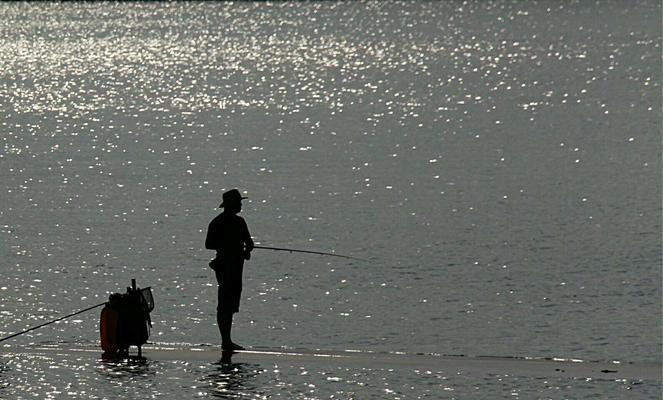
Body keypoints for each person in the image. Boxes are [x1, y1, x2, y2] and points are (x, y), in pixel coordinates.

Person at [205, 189, 254, 351]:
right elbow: (209, 245)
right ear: (231, 204)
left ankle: (227, 340)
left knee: (230, 304)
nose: (240, 205)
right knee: (225, 304)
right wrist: (234, 247)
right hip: (225, 267)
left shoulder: (234, 222)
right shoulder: (223, 223)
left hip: (234, 266)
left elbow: (249, 243)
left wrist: (245, 250)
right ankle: (226, 341)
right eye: (238, 202)